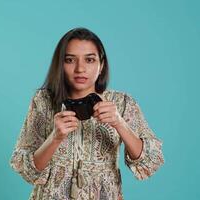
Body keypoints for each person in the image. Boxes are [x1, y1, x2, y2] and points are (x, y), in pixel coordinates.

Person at [9, 27, 164, 200]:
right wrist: (55, 137)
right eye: (70, 60)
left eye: (89, 60)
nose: (80, 69)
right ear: (60, 64)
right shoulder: (43, 101)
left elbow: (150, 161)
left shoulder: (122, 103)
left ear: (101, 64)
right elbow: (26, 169)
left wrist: (120, 123)